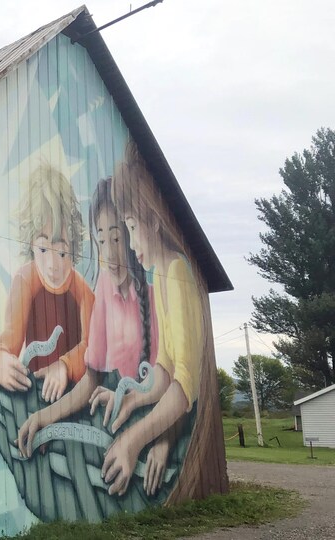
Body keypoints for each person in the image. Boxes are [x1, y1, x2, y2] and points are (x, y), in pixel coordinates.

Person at [16, 177, 157, 465]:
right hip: (118, 419)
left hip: (147, 423)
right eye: (102, 240)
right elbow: (92, 377)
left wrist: (162, 441)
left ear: (135, 232)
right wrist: (44, 417)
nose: (109, 251)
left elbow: (169, 382)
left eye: (117, 238)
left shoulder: (155, 293)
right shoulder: (104, 285)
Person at [94, 143, 205, 497]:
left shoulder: (177, 272)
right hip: (171, 409)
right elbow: (164, 369)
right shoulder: (159, 275)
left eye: (130, 227)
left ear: (154, 222)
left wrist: (135, 440)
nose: (128, 242)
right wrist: (132, 396)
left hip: (188, 422)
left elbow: (186, 383)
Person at [0, 163, 93, 403]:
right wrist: (1, 360)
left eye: (61, 252)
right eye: (43, 249)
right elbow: (10, 337)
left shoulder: (84, 293)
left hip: (76, 399)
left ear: (74, 247)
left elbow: (93, 346)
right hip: (36, 394)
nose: (52, 265)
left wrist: (65, 367)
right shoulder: (25, 280)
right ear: (31, 244)